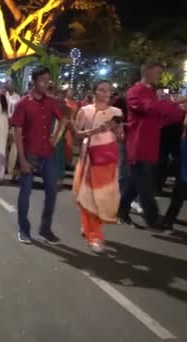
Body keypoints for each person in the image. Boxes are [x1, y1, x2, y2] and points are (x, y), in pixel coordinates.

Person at [117, 62, 187, 228]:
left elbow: (171, 116)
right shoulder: (135, 92)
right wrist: (172, 104)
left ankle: (122, 210)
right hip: (138, 146)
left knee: (136, 183)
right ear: (146, 72)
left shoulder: (152, 94)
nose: (159, 76)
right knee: (145, 184)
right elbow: (150, 107)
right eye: (157, 72)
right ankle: (153, 219)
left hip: (150, 146)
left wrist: (175, 107)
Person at [12, 67, 66, 244]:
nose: (46, 83)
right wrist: (22, 159)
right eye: (43, 79)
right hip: (29, 153)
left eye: (48, 80)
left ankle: (45, 229)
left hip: (47, 154)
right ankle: (23, 229)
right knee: (25, 193)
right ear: (34, 81)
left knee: (52, 192)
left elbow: (63, 119)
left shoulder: (50, 102)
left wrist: (55, 138)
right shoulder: (23, 103)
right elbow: (17, 133)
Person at [70, 80, 123, 253]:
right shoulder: (85, 111)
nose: (106, 93)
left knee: (104, 198)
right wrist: (94, 131)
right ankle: (94, 236)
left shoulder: (116, 112)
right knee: (88, 196)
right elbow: (77, 134)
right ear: (94, 92)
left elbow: (121, 136)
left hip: (108, 159)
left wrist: (116, 130)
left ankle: (89, 226)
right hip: (90, 158)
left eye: (108, 90)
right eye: (101, 90)